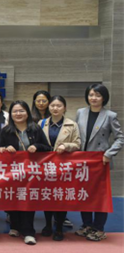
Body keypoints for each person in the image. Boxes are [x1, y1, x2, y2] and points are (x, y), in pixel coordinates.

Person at [75, 84, 124, 241]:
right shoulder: (80, 112)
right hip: (83, 162)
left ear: (104, 98)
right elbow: (76, 135)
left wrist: (109, 153)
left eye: (97, 95)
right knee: (84, 193)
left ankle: (99, 228)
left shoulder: (110, 115)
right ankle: (87, 224)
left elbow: (120, 138)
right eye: (91, 95)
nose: (94, 98)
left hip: (100, 162)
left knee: (99, 195)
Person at [0, 100, 52, 245]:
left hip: (31, 173)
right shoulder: (5, 131)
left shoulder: (35, 129)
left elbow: (48, 148)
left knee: (28, 200)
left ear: (27, 113)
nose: (18, 114)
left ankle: (29, 232)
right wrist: (5, 149)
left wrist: (37, 146)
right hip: (12, 173)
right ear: (10, 114)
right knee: (13, 199)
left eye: (21, 111)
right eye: (15, 111)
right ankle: (15, 226)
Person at [38, 95, 81, 241]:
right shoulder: (41, 123)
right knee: (47, 196)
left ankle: (59, 228)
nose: (55, 108)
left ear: (65, 108)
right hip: (46, 166)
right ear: (48, 107)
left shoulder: (72, 125)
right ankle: (47, 225)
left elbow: (77, 144)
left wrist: (66, 146)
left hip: (63, 167)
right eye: (52, 105)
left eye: (59, 106)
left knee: (61, 196)